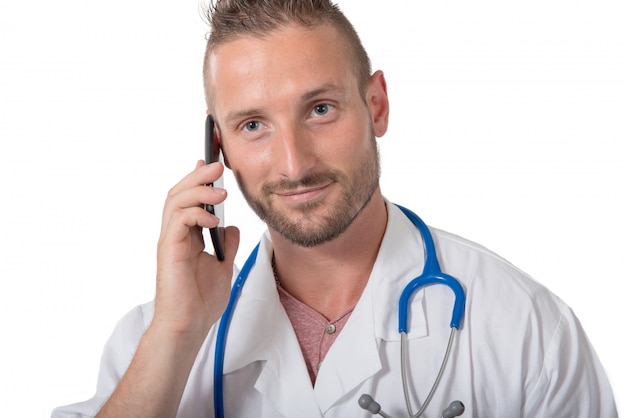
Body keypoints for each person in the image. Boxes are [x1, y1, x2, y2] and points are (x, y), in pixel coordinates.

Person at [53, 0, 617, 417]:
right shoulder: (152, 342)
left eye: (320, 109)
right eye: (253, 125)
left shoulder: (527, 331)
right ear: (217, 146)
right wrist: (178, 332)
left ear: (376, 105)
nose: (293, 164)